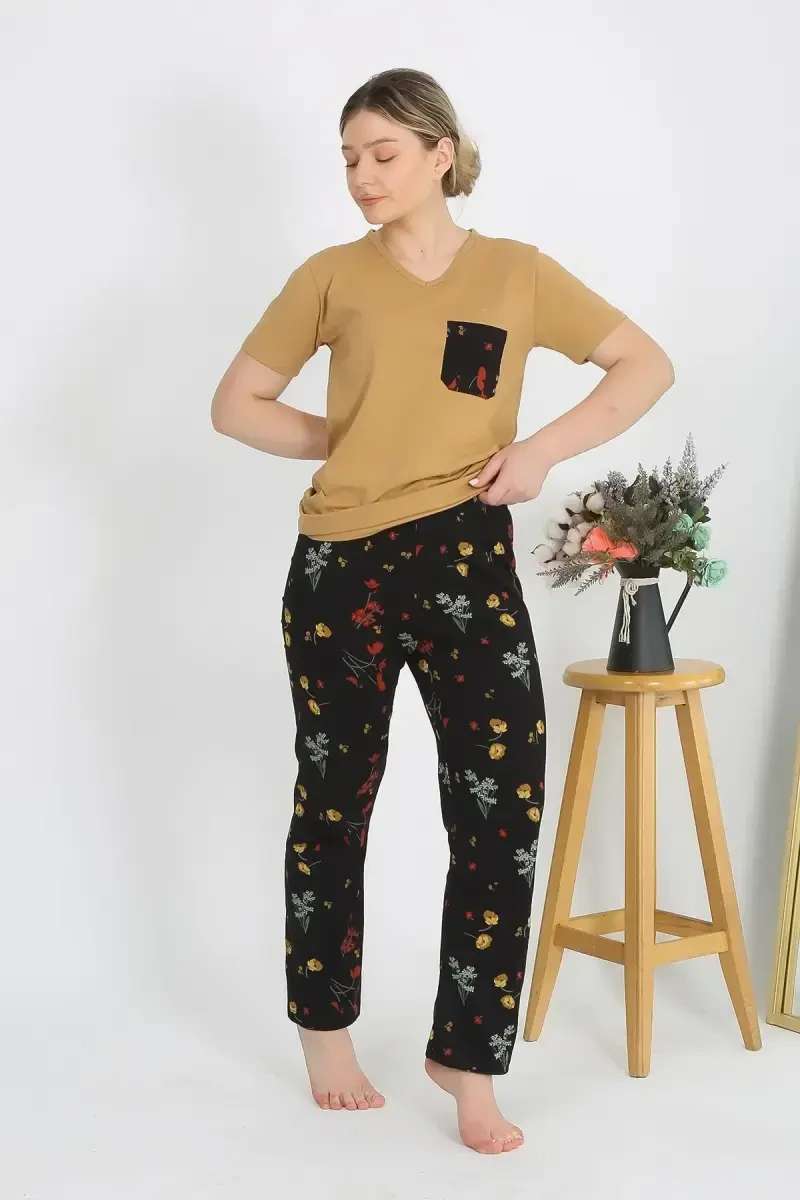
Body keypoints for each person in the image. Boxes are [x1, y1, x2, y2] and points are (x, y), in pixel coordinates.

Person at [211, 67, 674, 1154]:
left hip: (467, 556)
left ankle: (467, 1062)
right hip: (339, 568)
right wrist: (354, 433)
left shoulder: (516, 273)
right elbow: (236, 405)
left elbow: (642, 363)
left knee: (501, 811)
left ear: (439, 153)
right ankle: (325, 1035)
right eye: (347, 159)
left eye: (382, 154)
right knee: (335, 801)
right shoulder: (329, 276)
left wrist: (540, 451)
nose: (361, 176)